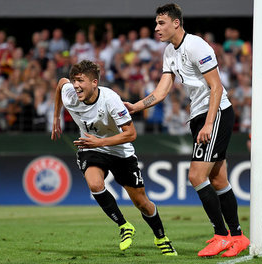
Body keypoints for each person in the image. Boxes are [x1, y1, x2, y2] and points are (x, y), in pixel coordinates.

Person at [124, 3, 249, 258]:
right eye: (156, 23)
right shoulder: (170, 51)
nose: (156, 28)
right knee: (218, 180)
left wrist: (208, 123)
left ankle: (221, 236)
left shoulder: (196, 46)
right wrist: (136, 106)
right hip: (199, 115)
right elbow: (162, 89)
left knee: (195, 175)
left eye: (161, 23)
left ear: (176, 23)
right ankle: (237, 236)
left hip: (216, 113)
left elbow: (216, 87)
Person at [50, 60, 177, 256]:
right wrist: (56, 117)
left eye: (81, 81)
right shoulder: (70, 95)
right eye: (74, 81)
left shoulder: (110, 99)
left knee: (141, 202)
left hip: (119, 150)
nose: (75, 86)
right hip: (91, 147)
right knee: (94, 184)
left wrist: (99, 143)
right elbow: (61, 83)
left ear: (94, 83)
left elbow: (131, 134)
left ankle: (161, 237)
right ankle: (124, 226)